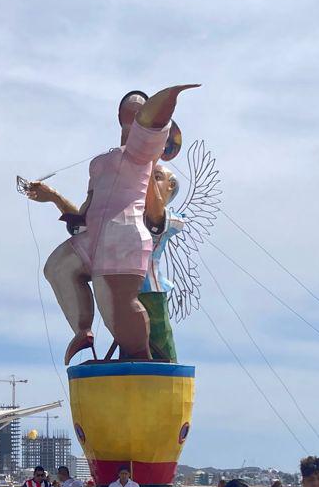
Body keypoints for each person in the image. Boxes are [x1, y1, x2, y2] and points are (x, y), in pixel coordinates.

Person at [26, 83, 199, 362]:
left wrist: (151, 156)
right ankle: (83, 331)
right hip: (96, 236)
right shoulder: (102, 163)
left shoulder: (144, 162)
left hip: (138, 268)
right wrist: (54, 198)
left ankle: (143, 363)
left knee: (120, 312)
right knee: (58, 267)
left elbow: (155, 216)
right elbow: (86, 214)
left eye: (160, 179)